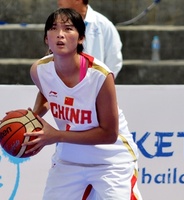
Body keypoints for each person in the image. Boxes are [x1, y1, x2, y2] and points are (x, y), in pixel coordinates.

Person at [24, 8, 142, 200]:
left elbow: (109, 134)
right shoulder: (39, 70)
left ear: (80, 38)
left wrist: (56, 136)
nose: (60, 34)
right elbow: (48, 92)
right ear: (47, 38)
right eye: (54, 28)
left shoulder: (100, 76)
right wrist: (33, 116)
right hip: (70, 159)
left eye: (68, 28)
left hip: (110, 160)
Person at [57, 0, 123, 78]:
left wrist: (102, 83)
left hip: (96, 85)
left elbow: (114, 60)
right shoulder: (57, 24)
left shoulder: (103, 25)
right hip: (64, 85)